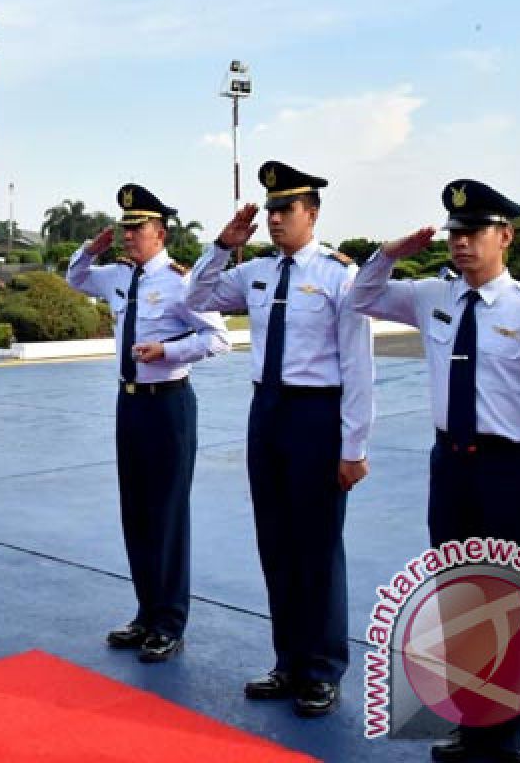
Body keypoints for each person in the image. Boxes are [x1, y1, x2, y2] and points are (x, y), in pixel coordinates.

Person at [348, 179, 520, 763]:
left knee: (511, 601)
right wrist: (391, 252)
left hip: (510, 468)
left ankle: (513, 732)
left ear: (506, 237)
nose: (461, 244)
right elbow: (362, 297)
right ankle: (473, 724)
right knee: (457, 598)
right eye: (455, 234)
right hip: (450, 465)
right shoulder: (431, 297)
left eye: (473, 233)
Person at [185, 161, 374, 717]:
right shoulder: (257, 272)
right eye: (269, 209)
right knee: (276, 542)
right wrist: (223, 245)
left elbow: (358, 366)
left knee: (317, 545)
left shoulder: (342, 274)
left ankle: (322, 669)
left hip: (318, 414)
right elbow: (197, 296)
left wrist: (353, 446)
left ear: (311, 214)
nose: (274, 218)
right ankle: (288, 661)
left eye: (285, 208)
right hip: (266, 411)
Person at [66, 183, 231, 663]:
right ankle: (145, 612)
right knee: (135, 511)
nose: (127, 237)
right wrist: (88, 250)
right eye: (124, 229)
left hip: (169, 405)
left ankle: (169, 622)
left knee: (168, 514)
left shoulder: (183, 282)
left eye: (136, 229)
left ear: (160, 233)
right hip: (130, 404)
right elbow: (76, 279)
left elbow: (219, 339)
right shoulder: (117, 276)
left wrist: (170, 351)